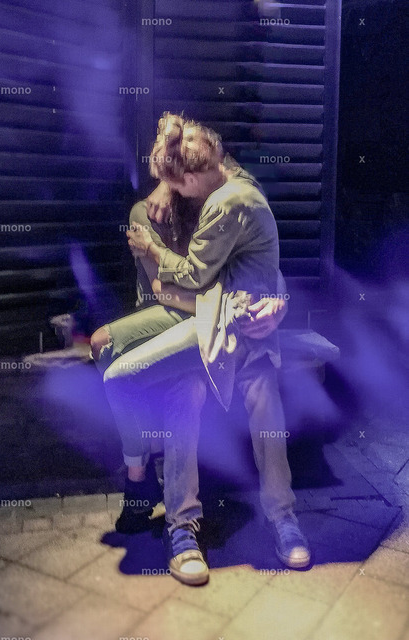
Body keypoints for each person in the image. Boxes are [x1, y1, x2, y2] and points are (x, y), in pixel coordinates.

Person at [93, 113, 310, 585]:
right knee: (175, 386)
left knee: (262, 388)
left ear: (192, 175)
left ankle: (281, 516)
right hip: (191, 318)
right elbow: (164, 292)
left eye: (175, 182)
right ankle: (170, 514)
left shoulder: (223, 196)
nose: (173, 193)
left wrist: (278, 301)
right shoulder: (151, 212)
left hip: (227, 321)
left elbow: (260, 260)